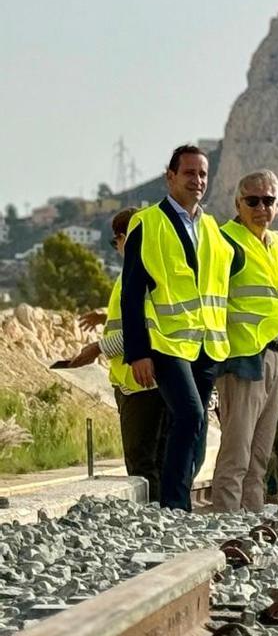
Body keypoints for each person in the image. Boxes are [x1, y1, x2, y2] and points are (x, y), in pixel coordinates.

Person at [121, 144, 241, 511]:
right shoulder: (148, 223)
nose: (198, 180)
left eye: (203, 174)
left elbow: (230, 268)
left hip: (206, 344)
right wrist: (138, 352)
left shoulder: (210, 227)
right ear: (170, 176)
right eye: (189, 173)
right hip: (167, 342)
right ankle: (174, 505)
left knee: (197, 426)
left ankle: (178, 496)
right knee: (190, 415)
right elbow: (131, 293)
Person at [210, 170, 278, 512]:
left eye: (268, 200)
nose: (261, 207)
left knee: (261, 454)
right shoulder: (225, 242)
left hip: (276, 356)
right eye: (252, 201)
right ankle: (226, 521)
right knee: (237, 451)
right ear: (238, 204)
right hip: (242, 358)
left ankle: (251, 519)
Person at [66, 208, 165, 501]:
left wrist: (97, 348)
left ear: (126, 238)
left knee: (143, 462)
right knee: (154, 459)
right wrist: (104, 316)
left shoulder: (141, 271)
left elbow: (145, 328)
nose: (117, 248)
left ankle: (154, 517)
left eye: (116, 241)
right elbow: (130, 317)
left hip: (141, 382)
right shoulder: (139, 271)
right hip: (139, 381)